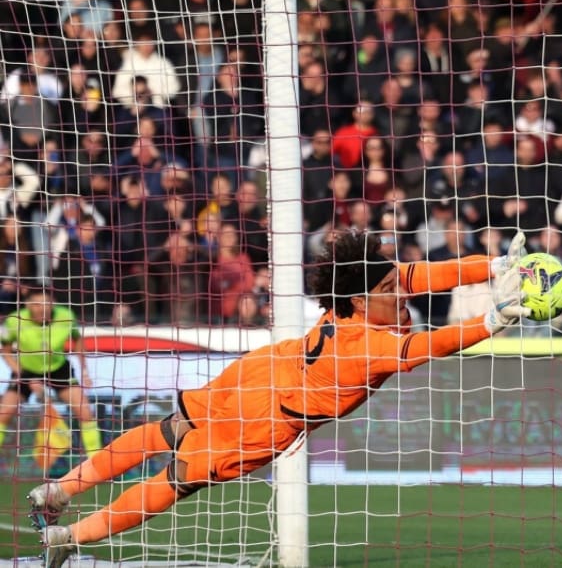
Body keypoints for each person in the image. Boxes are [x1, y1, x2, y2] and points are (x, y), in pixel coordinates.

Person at [33, 230, 533, 568]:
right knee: (176, 478)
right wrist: (491, 321)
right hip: (268, 418)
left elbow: (421, 275)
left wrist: (493, 266)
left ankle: (58, 492)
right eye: (389, 288)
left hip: (261, 368)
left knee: (168, 430)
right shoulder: (370, 345)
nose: (401, 292)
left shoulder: (355, 298)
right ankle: (68, 537)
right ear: (359, 300)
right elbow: (427, 346)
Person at [0, 288, 102, 457]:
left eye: (47, 304)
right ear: (28, 305)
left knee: (85, 412)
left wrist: (84, 371)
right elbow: (6, 350)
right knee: (4, 413)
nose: (42, 308)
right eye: (37, 304)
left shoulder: (66, 316)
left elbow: (77, 341)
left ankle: (98, 462)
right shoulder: (14, 320)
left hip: (58, 368)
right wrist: (24, 376)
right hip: (27, 369)